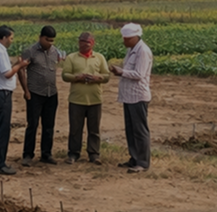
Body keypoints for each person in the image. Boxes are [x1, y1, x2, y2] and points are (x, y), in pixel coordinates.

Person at [0, 26, 29, 175]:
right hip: (1, 93)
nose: (11, 41)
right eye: (11, 38)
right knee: (2, 129)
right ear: (3, 37)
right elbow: (7, 74)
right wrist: (20, 65)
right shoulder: (0, 51)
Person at [108, 23, 153, 172]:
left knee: (140, 131)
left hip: (138, 96)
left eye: (127, 38)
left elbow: (139, 74)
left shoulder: (143, 51)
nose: (124, 41)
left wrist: (121, 72)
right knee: (131, 130)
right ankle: (134, 158)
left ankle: (143, 162)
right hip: (128, 96)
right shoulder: (131, 50)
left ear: (135, 37)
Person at [18, 25, 64, 166]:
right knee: (33, 125)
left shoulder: (55, 52)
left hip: (51, 93)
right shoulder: (30, 51)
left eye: (52, 40)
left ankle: (46, 154)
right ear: (40, 37)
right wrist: (26, 90)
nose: (50, 43)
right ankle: (27, 155)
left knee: (49, 125)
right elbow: (20, 69)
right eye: (47, 40)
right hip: (35, 94)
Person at [61, 31, 109, 163]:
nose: (83, 44)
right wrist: (77, 77)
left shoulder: (99, 58)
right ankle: (73, 153)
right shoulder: (71, 58)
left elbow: (106, 76)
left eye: (87, 42)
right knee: (75, 129)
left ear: (92, 43)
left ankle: (94, 154)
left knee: (94, 129)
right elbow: (65, 75)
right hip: (77, 99)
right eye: (81, 41)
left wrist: (96, 78)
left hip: (95, 99)